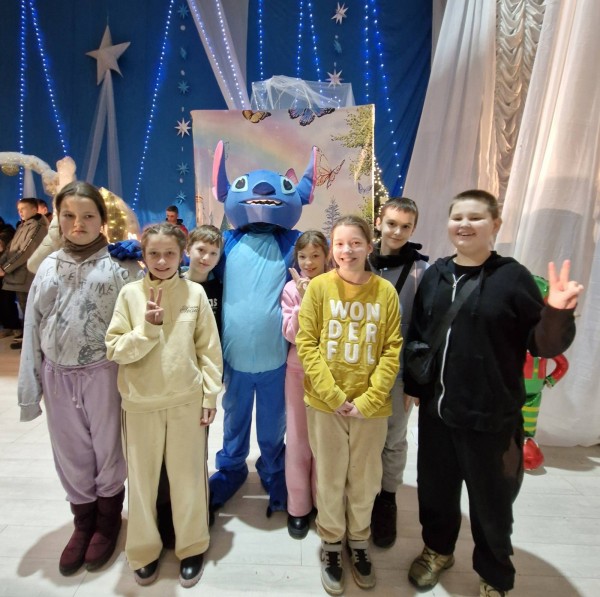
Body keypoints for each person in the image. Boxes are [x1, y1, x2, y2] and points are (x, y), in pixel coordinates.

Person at [404, 189, 583, 597]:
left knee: (492, 506)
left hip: (491, 418)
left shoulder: (512, 278)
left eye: (476, 217)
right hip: (437, 414)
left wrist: (556, 312)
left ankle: (494, 577)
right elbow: (419, 335)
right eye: (457, 217)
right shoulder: (436, 274)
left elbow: (542, 345)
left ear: (495, 225)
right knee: (435, 492)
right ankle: (438, 550)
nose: (464, 225)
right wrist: (415, 389)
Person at [17, 181, 141, 576]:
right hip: (58, 376)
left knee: (108, 450)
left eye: (88, 215)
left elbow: (144, 321)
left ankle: (107, 521)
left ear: (102, 220)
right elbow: (32, 327)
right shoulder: (48, 266)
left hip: (105, 374)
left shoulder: (121, 266)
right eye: (68, 215)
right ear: (58, 218)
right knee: (71, 453)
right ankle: (83, 521)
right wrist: (29, 391)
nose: (78, 223)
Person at [105, 223, 223, 588]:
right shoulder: (129, 294)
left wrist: (209, 396)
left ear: (181, 254)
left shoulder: (194, 294)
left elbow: (209, 351)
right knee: (142, 483)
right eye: (153, 253)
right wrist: (147, 330)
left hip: (186, 401)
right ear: (143, 255)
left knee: (189, 478)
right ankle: (143, 551)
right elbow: (115, 349)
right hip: (140, 403)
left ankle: (192, 546)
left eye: (169, 253)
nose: (161, 260)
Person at [296, 215, 401, 595]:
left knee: (365, 480)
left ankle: (358, 542)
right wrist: (334, 396)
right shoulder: (319, 288)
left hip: (371, 408)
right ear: (332, 250)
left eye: (356, 243)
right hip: (326, 405)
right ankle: (330, 544)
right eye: (340, 243)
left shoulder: (385, 292)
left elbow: (392, 349)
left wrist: (369, 399)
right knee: (329, 477)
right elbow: (307, 343)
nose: (347, 250)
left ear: (369, 246)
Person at [155, 224, 224, 546]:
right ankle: (165, 510)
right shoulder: (171, 282)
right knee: (164, 452)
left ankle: (196, 507)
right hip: (168, 379)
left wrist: (212, 386)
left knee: (196, 450)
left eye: (213, 253)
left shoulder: (219, 287)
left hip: (199, 382)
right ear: (188, 250)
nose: (206, 257)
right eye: (200, 250)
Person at [368, 196, 429, 548]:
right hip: (356, 369)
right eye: (391, 223)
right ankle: (359, 493)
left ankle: (387, 498)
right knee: (360, 436)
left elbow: (425, 328)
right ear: (379, 221)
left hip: (398, 372)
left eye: (406, 226)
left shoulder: (422, 272)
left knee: (393, 438)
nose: (397, 231)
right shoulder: (361, 259)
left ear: (414, 229)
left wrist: (415, 382)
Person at [281, 230, 329, 540]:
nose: (308, 262)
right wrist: (303, 301)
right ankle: (298, 506)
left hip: (329, 374)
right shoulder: (290, 288)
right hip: (298, 370)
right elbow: (290, 333)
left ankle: (325, 505)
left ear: (326, 257)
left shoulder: (335, 285)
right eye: (302, 256)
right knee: (298, 439)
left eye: (315, 256)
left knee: (324, 442)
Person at [0, 197, 48, 349]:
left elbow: (25, 251)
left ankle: (35, 342)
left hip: (28, 274)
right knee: (25, 306)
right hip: (19, 275)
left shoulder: (37, 227)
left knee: (31, 307)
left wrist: (5, 267)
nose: (20, 212)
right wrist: (2, 263)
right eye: (18, 210)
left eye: (23, 209)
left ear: (34, 209)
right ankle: (29, 340)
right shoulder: (23, 225)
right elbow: (10, 248)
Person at [0, 216, 20, 338]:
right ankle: (7, 326)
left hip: (6, 272)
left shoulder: (7, 231)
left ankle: (15, 326)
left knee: (7, 300)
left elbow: (2, 246)